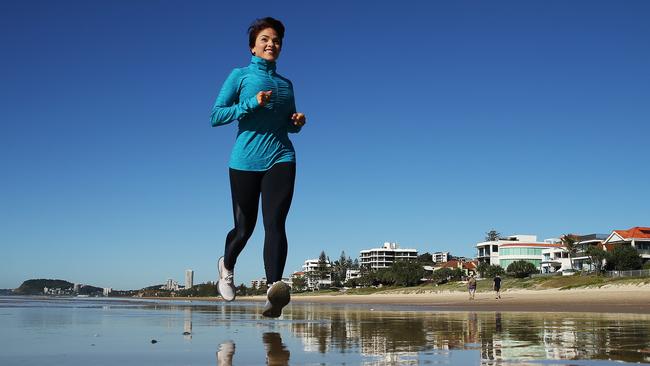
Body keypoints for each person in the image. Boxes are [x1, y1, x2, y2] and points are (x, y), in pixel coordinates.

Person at [210, 17, 306, 318]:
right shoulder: (239, 76)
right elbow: (217, 115)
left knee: (275, 223)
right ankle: (226, 267)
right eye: (265, 39)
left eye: (276, 40)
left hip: (281, 156)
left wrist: (297, 124)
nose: (271, 44)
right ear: (253, 46)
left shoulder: (286, 84)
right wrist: (251, 103)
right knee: (244, 229)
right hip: (245, 161)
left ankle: (274, 289)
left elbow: (287, 124)